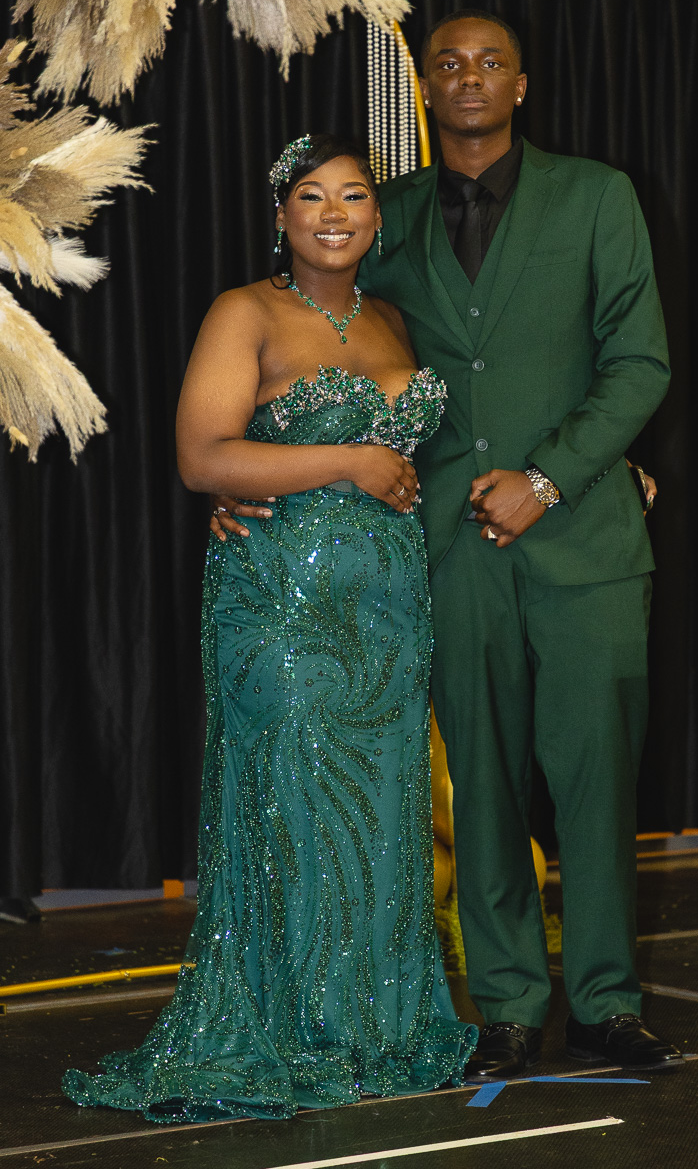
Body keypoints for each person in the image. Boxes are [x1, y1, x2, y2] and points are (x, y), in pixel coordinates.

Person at [214, 10, 681, 1080]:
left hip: (585, 544)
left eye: (489, 63)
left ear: (520, 83)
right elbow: (319, 334)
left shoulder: (597, 196)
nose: (467, 77)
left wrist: (550, 475)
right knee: (481, 784)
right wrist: (249, 476)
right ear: (422, 88)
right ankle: (509, 1001)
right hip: (443, 551)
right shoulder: (393, 216)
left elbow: (639, 364)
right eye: (447, 64)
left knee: (597, 780)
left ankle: (607, 1002)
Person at [62, 134, 477, 1123]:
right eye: (310, 196)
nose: (333, 211)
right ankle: (288, 1030)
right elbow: (204, 458)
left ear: (378, 218)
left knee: (378, 819)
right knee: (292, 809)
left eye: (353, 195)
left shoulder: (390, 320)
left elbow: (403, 461)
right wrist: (342, 467)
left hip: (385, 614)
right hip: (277, 607)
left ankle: (371, 1032)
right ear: (281, 215)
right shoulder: (243, 311)